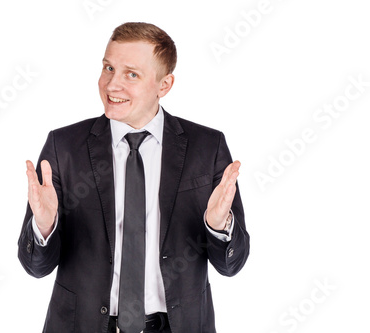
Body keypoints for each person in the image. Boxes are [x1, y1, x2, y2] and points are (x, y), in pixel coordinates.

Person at [18, 22, 250, 333]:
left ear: (164, 85)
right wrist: (44, 227)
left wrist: (219, 227)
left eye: (132, 74)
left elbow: (231, 266)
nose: (112, 85)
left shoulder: (206, 147)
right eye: (108, 68)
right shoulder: (64, 147)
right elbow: (36, 267)